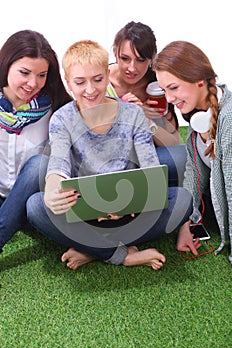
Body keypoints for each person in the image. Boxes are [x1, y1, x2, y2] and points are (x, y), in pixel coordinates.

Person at [26, 39, 194, 271]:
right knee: (36, 206)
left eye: (97, 79)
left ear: (107, 75)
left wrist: (134, 201)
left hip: (131, 206)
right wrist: (52, 191)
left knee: (183, 199)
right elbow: (58, 165)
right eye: (80, 82)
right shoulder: (62, 120)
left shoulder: (132, 113)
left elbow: (149, 166)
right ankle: (121, 254)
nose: (91, 89)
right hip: (85, 211)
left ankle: (93, 250)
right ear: (68, 83)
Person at [153, 40, 232, 266]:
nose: (168, 99)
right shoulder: (197, 115)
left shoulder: (229, 119)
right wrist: (186, 223)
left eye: (174, 88)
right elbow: (193, 172)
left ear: (199, 80)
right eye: (165, 89)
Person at [0, 30, 72, 254]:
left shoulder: (54, 107)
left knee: (39, 164)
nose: (33, 83)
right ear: (6, 65)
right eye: (25, 73)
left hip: (33, 198)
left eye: (41, 75)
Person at [107, 21, 187, 186]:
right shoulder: (102, 82)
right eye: (125, 58)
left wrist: (146, 119)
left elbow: (173, 142)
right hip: (109, 160)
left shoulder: (156, 88)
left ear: (152, 59)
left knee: (182, 156)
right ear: (115, 53)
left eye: (140, 60)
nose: (132, 68)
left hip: (147, 158)